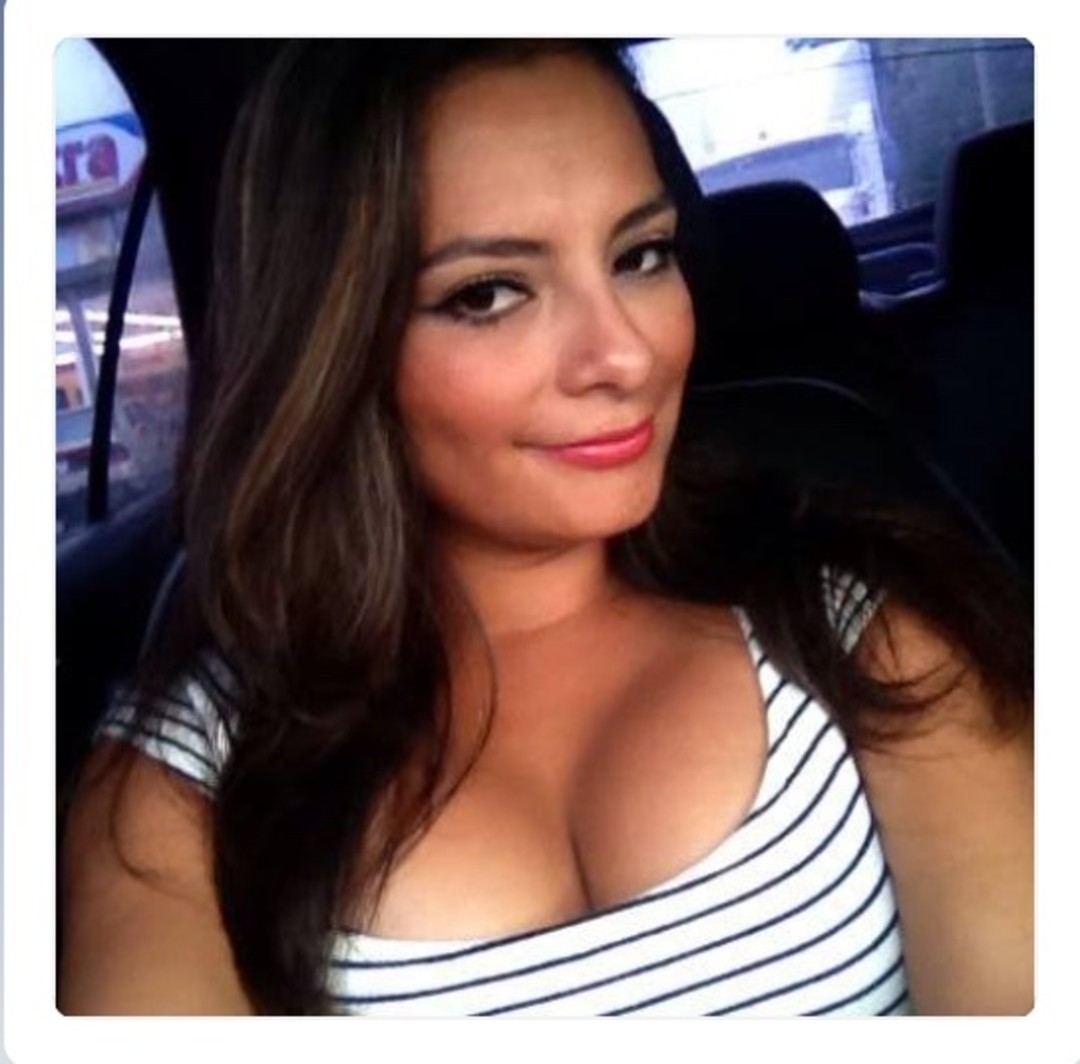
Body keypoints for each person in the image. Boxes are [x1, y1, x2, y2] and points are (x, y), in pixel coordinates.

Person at [58, 39, 1033, 1017]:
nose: (625, 355)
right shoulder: (181, 790)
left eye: (641, 256)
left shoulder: (869, 635)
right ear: (334, 342)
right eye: (488, 293)